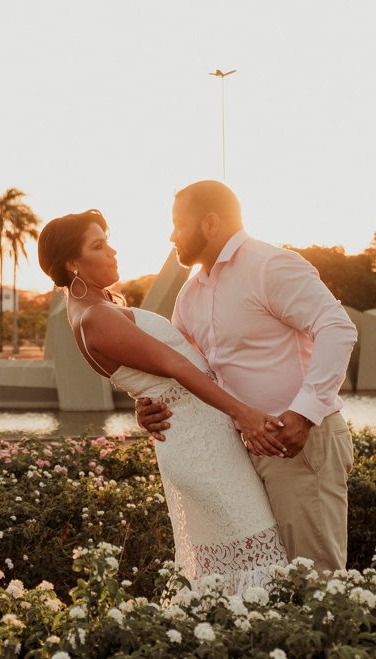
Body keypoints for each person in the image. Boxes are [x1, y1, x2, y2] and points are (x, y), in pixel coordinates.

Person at [37, 209, 289, 593]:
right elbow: (176, 365)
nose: (112, 252)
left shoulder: (98, 308)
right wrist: (245, 414)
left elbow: (151, 375)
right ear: (73, 263)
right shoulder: (95, 317)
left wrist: (147, 402)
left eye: (108, 241)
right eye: (98, 246)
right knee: (257, 557)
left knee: (228, 567)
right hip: (202, 450)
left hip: (199, 438)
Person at [137, 181, 359, 573]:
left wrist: (303, 413)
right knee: (268, 580)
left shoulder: (270, 265)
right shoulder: (189, 295)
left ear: (210, 224)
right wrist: (148, 407)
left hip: (298, 444)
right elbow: (179, 369)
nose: (172, 236)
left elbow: (336, 327)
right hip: (239, 454)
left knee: (316, 580)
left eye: (179, 224)